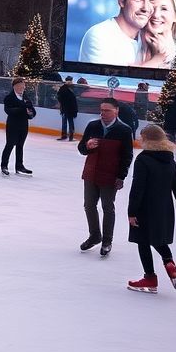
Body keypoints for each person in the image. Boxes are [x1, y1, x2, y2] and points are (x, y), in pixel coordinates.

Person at [126, 126, 176, 294]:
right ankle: (168, 261)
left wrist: (131, 212)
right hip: (164, 208)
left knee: (143, 241)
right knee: (158, 239)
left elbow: (137, 189)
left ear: (147, 139)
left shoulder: (143, 159)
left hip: (145, 208)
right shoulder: (170, 159)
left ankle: (150, 278)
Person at [76, 98, 134, 257]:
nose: (103, 113)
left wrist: (121, 176)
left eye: (107, 110)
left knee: (108, 207)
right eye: (101, 110)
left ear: (116, 111)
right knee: (89, 205)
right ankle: (95, 235)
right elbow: (81, 148)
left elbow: (127, 155)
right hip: (91, 172)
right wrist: (87, 147)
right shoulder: (92, 126)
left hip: (110, 174)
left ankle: (107, 240)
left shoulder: (124, 130)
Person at [78, 0, 157, 65]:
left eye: (151, 1)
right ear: (121, 1)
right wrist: (158, 59)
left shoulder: (148, 37)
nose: (146, 8)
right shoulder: (99, 36)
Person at [1, 77, 36, 176]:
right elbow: (8, 111)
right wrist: (22, 108)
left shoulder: (26, 97)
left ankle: (19, 166)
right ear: (15, 86)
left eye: (23, 86)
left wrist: (30, 113)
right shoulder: (9, 98)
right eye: (20, 86)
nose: (22, 88)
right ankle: (4, 165)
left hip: (23, 125)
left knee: (20, 146)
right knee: (10, 145)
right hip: (13, 125)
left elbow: (32, 111)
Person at [56, 76, 78, 141]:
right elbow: (59, 97)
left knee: (69, 122)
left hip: (69, 109)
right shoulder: (64, 88)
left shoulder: (72, 88)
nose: (69, 81)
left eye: (70, 80)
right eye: (68, 80)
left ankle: (70, 136)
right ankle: (65, 136)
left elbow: (74, 101)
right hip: (65, 109)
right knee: (66, 122)